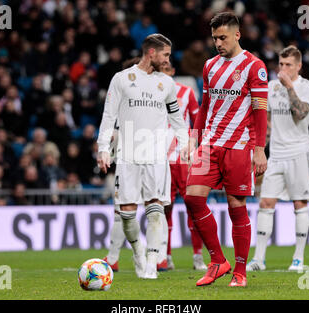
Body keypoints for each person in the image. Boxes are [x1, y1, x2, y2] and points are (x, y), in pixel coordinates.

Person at [183, 12, 268, 288]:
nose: (218, 43)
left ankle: (240, 272)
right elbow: (205, 106)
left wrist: (259, 148)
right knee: (193, 198)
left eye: (222, 37)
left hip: (239, 145)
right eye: (214, 38)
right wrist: (193, 138)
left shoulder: (254, 67)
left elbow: (259, 111)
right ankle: (218, 260)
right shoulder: (209, 66)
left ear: (237, 35)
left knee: (236, 207)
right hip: (210, 144)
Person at [97, 34, 189, 279]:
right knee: (126, 213)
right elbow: (108, 116)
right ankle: (137, 250)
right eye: (165, 55)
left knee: (155, 208)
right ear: (151, 53)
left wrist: (186, 143)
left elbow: (177, 118)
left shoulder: (167, 84)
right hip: (128, 156)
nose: (168, 60)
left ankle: (151, 261)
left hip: (157, 157)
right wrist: (103, 148)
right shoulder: (122, 79)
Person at [246, 45, 309, 273]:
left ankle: (297, 259)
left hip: (299, 152)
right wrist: (258, 150)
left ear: (298, 66)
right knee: (265, 203)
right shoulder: (270, 87)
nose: (283, 68)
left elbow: (300, 113)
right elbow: (264, 121)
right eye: (281, 64)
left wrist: (289, 88)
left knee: (299, 203)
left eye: (288, 64)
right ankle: (259, 259)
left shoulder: (308, 87)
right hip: (276, 154)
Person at [158, 63, 207, 271]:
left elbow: (197, 123)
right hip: (160, 159)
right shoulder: (151, 95)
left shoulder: (186, 92)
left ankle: (198, 257)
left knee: (194, 207)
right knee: (163, 210)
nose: (164, 74)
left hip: (184, 159)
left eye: (167, 70)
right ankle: (165, 256)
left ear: (173, 72)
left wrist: (195, 150)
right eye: (161, 71)